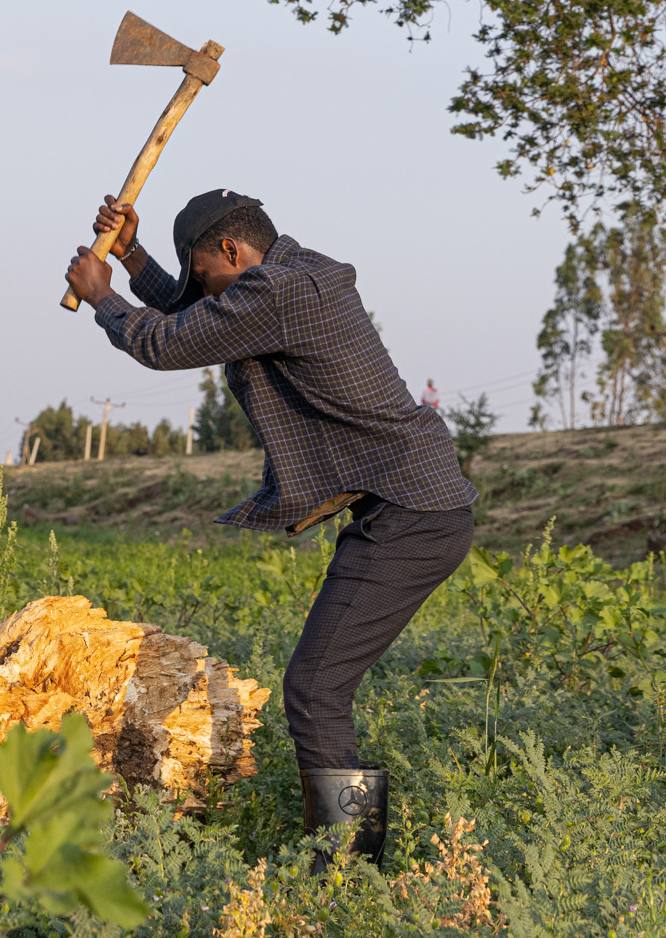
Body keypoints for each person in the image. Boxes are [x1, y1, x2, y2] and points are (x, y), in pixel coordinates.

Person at [63, 188, 475, 868]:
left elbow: (168, 341)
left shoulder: (280, 293)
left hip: (411, 516)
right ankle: (349, 865)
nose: (200, 285)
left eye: (199, 269)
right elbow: (200, 317)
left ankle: (346, 870)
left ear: (231, 250)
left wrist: (104, 298)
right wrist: (133, 256)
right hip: (411, 506)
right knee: (320, 689)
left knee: (315, 691)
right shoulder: (292, 275)